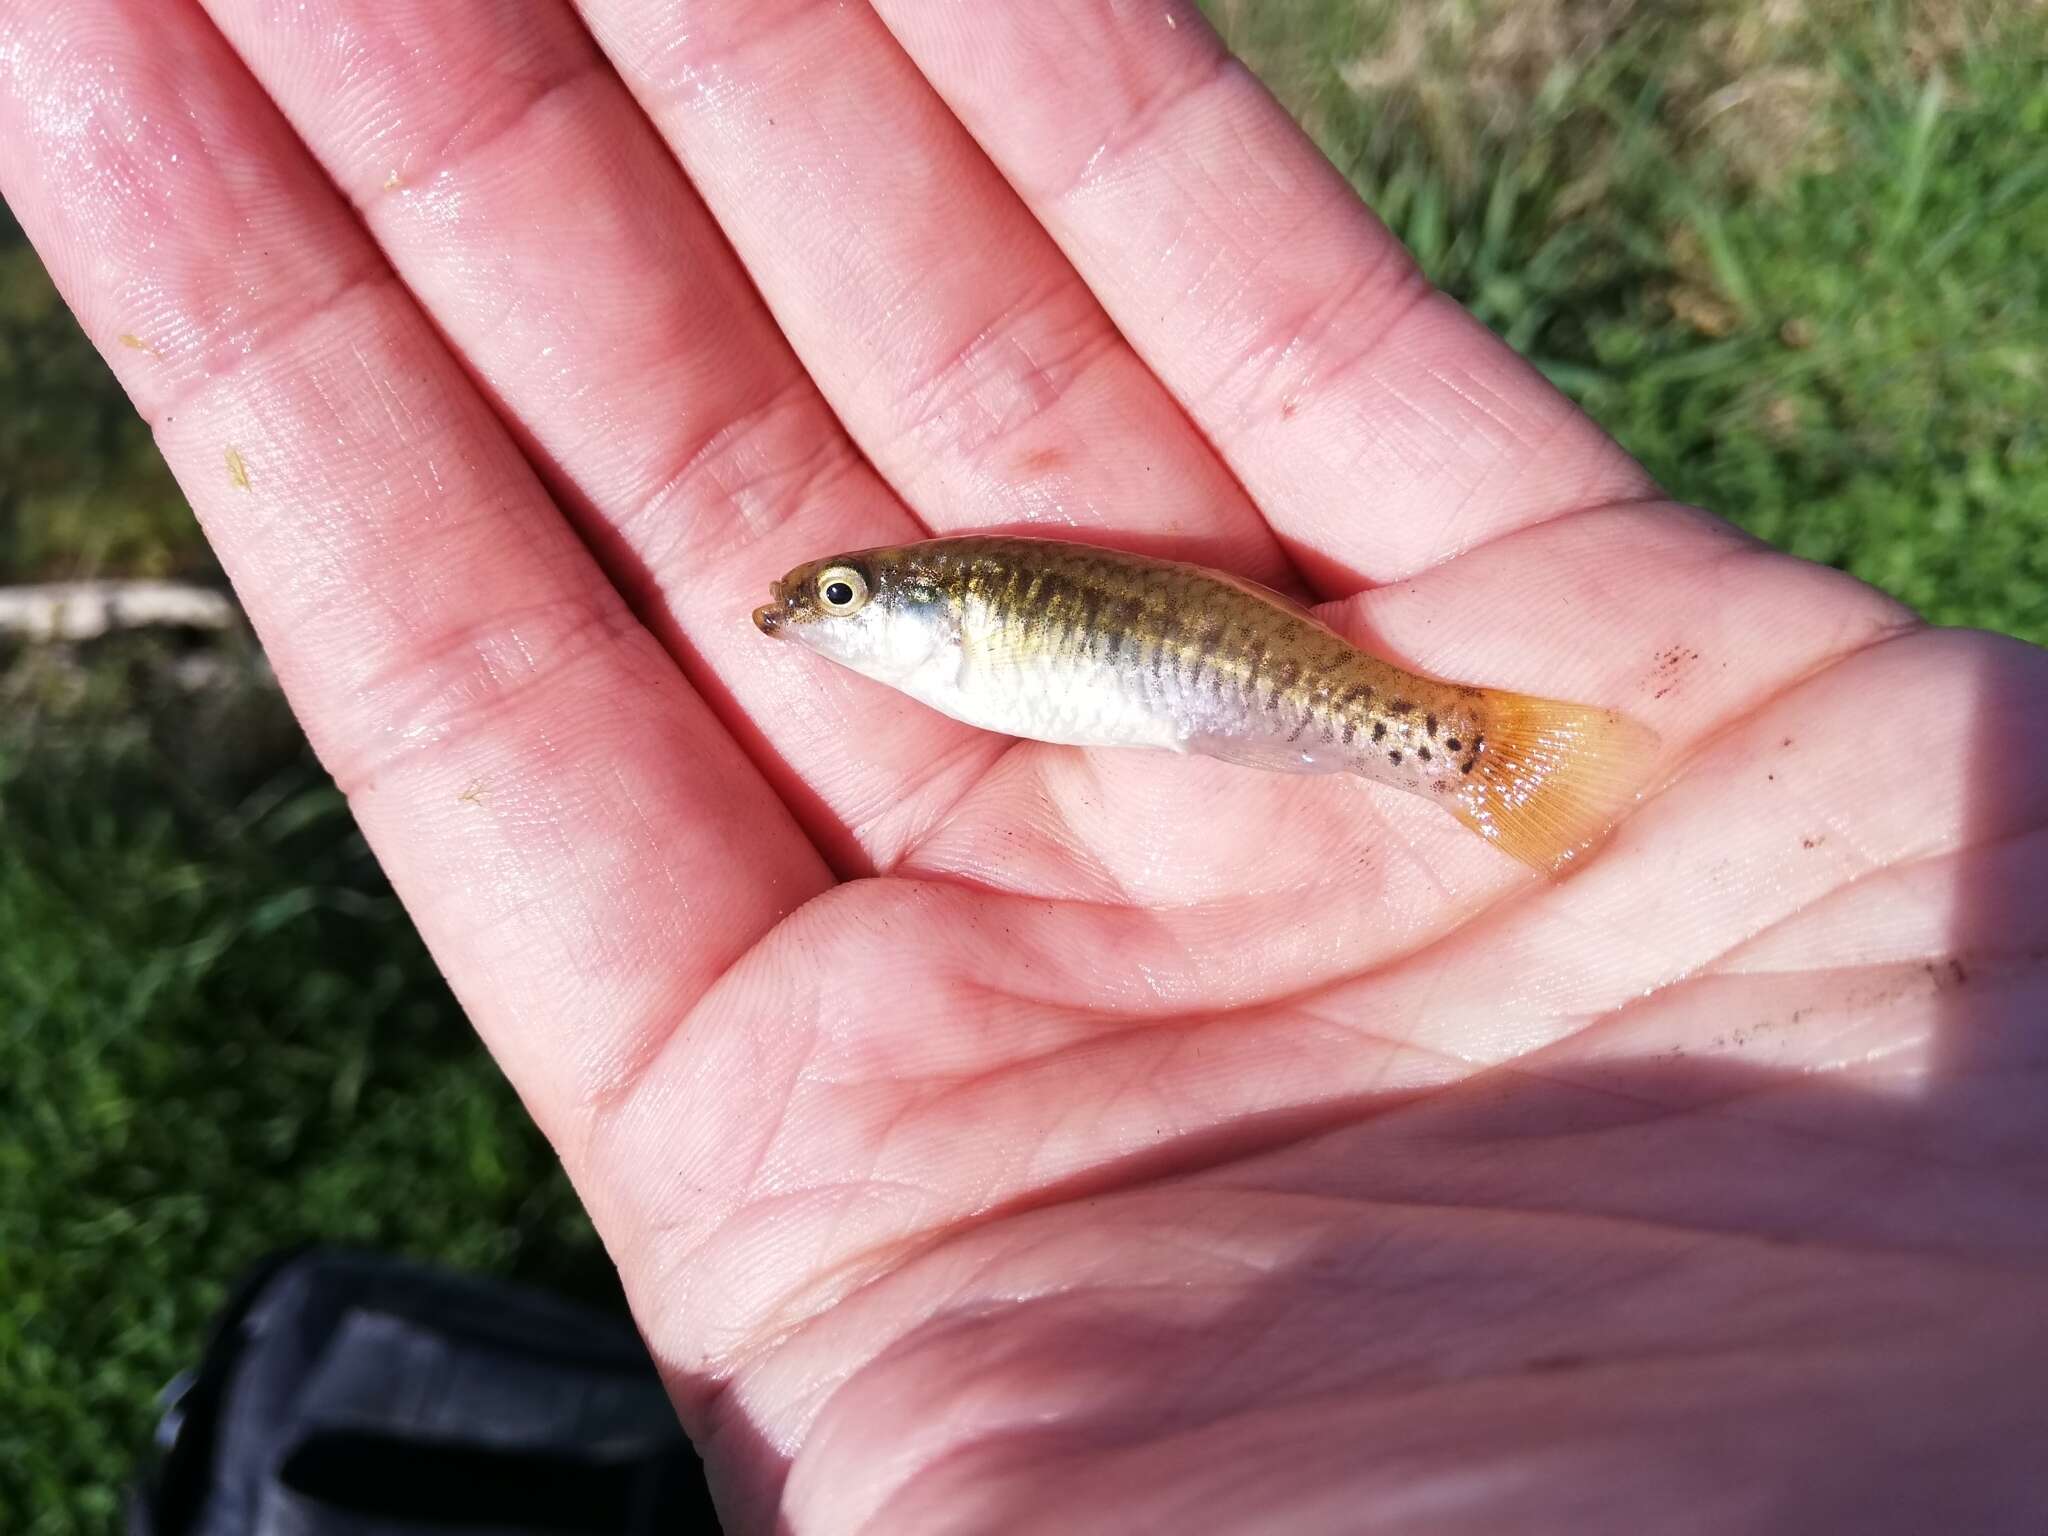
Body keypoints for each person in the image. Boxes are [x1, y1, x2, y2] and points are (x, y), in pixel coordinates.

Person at [4, 1, 2044, 1531]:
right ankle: (1463, 763)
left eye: (847, 596)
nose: (820, 615)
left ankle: (1469, 764)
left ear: (924, 594)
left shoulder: (970, 616)